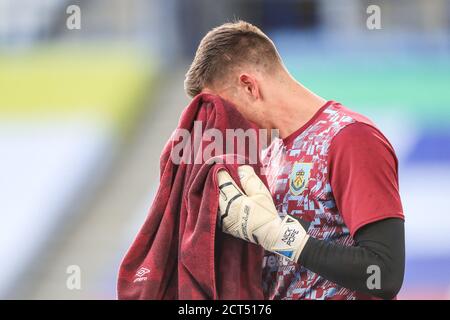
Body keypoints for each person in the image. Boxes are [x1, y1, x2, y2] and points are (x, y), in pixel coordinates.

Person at [184, 20, 405, 300]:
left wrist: (280, 235)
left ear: (249, 86)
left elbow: (384, 273)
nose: (221, 124)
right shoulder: (269, 156)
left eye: (222, 109)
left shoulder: (351, 137)